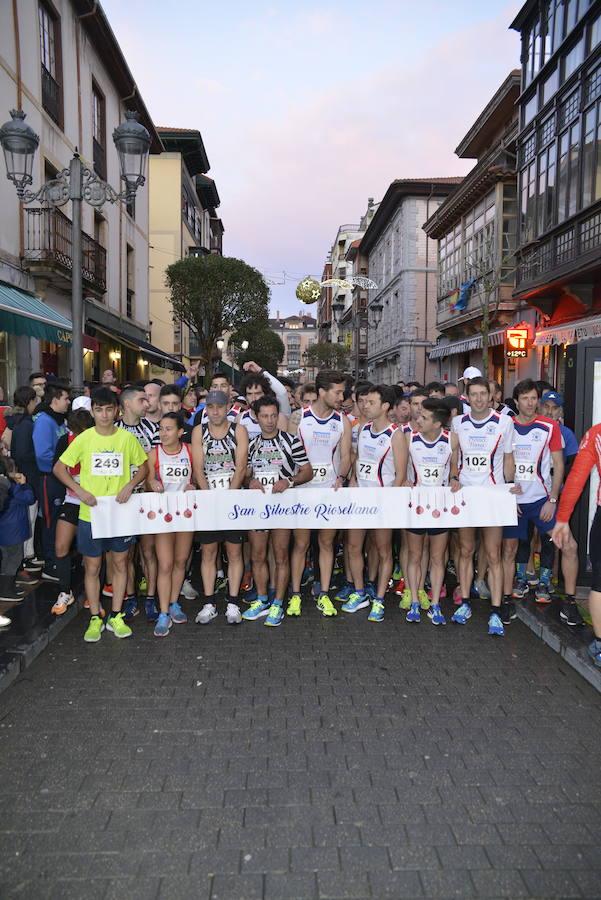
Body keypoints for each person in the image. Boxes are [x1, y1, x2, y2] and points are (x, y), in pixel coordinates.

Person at [53, 387, 149, 643]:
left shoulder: (126, 439)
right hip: (90, 513)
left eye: (109, 410)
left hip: (119, 512)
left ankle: (115, 615)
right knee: (93, 566)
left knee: (120, 564)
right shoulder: (84, 439)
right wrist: (79, 491)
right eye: (99, 410)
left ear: (117, 410)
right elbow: (59, 468)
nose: (104, 415)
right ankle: (95, 616)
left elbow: (143, 467)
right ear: (92, 412)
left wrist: (130, 485)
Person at [501, 379, 579, 624]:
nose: (530, 402)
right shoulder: (506, 426)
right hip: (513, 500)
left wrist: (553, 500)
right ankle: (505, 601)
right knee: (509, 550)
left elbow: (558, 464)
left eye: (534, 398)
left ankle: (570, 602)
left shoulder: (549, 427)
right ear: (516, 401)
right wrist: (506, 496)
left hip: (540, 500)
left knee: (569, 546)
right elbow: (502, 463)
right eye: (524, 398)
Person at [450, 376, 517, 636]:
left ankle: (496, 610)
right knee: (465, 551)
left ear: (491, 396)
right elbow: (454, 456)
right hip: (466, 495)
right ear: (467, 396)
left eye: (483, 394)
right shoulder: (458, 422)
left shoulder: (505, 422)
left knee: (493, 554)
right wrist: (454, 477)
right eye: (473, 394)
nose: (478, 398)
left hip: (493, 495)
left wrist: (512, 484)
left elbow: (509, 458)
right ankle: (465, 602)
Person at [242, 396, 313, 626]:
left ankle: (277, 604)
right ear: (256, 417)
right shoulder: (251, 444)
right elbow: (244, 474)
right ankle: (262, 599)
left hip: (282, 507)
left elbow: (307, 471)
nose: (270, 421)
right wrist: (249, 481)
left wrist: (290, 481)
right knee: (258, 555)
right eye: (264, 416)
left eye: (273, 415)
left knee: (281, 555)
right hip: (258, 508)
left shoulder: (291, 441)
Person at [288, 370, 351, 617]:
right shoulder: (297, 417)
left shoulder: (342, 420)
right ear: (322, 392)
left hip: (328, 492)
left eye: (343, 392)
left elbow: (346, 456)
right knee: (301, 544)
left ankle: (323, 593)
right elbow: (288, 453)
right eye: (337, 392)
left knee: (326, 543)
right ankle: (295, 595)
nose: (341, 396)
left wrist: (341, 478)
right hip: (303, 491)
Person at [343, 385, 407, 622]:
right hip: (360, 499)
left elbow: (400, 475)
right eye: (365, 402)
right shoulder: (362, 428)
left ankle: (379, 599)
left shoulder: (395, 435)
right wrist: (352, 482)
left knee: (383, 550)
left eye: (371, 402)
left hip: (382, 502)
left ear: (385, 406)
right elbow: (359, 460)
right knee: (353, 547)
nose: (365, 405)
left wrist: (387, 501)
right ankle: (360, 592)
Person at [191, 389, 249, 624]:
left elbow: (241, 466)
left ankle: (233, 602)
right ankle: (209, 602)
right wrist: (208, 498)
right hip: (209, 499)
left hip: (232, 498)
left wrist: (229, 498)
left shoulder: (239, 430)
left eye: (219, 407)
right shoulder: (199, 431)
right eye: (211, 407)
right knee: (209, 552)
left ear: (228, 407)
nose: (215, 411)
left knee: (234, 552)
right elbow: (198, 467)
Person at [403, 399, 457, 626]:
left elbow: (454, 470)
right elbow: (400, 469)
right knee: (415, 555)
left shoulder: (451, 439)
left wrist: (455, 479)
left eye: (424, 417)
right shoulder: (409, 438)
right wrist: (403, 481)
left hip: (439, 506)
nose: (418, 420)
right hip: (415, 504)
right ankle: (415, 599)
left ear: (438, 424)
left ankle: (435, 603)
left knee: (437, 557)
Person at [551, 423, 601, 664]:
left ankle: (600, 646)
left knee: (600, 584)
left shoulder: (597, 433)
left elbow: (577, 478)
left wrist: (562, 519)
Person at [146, 412, 195, 637]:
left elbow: (197, 479)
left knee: (180, 561)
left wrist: (194, 486)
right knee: (164, 564)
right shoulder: (154, 454)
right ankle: (164, 612)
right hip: (163, 516)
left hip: (185, 515)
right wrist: (152, 482)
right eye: (161, 429)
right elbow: (147, 481)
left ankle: (174, 602)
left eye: (168, 429)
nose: (163, 433)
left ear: (180, 432)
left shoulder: (190, 451)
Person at [116, 385, 160, 621]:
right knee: (125, 554)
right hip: (122, 500)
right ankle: (130, 598)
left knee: (149, 551)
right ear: (127, 404)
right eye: (142, 400)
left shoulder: (153, 429)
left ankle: (151, 598)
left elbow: (154, 465)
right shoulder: (113, 430)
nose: (147, 404)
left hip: (146, 498)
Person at [51, 406, 95, 615]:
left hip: (95, 503)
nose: (79, 436)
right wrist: (75, 487)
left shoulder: (98, 442)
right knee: (60, 547)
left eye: (83, 432)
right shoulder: (65, 442)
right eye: (76, 432)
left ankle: (91, 593)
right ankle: (64, 591)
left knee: (91, 553)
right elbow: (56, 470)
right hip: (72, 500)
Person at [32, 383, 70, 582]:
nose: (68, 402)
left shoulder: (59, 421)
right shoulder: (45, 422)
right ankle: (50, 563)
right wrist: (64, 467)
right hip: (49, 478)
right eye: (66, 398)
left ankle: (58, 558)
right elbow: (43, 454)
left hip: (61, 477)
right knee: (49, 521)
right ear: (55, 399)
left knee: (58, 520)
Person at [4, 386, 41, 574]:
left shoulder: (13, 421)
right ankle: (25, 558)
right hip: (26, 477)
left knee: (24, 519)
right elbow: (25, 453)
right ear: (30, 402)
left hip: (15, 476)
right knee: (28, 519)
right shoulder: (26, 423)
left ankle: (26, 557)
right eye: (35, 400)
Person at [0, 457, 35, 605]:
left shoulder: (4, 488)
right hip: (13, 532)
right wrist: (25, 485)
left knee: (6, 559)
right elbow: (30, 498)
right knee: (13, 559)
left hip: (5, 531)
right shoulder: (13, 488)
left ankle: (7, 586)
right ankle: (6, 590)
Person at [236, 373, 289, 439]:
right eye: (249, 394)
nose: (253, 398)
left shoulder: (280, 419)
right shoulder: (239, 418)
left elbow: (282, 392)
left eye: (257, 393)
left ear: (266, 394)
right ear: (245, 396)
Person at [539, 390, 579, 468]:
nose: (549, 412)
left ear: (560, 412)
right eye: (546, 406)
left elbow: (572, 463)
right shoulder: (532, 427)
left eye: (554, 408)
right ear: (540, 408)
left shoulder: (567, 433)